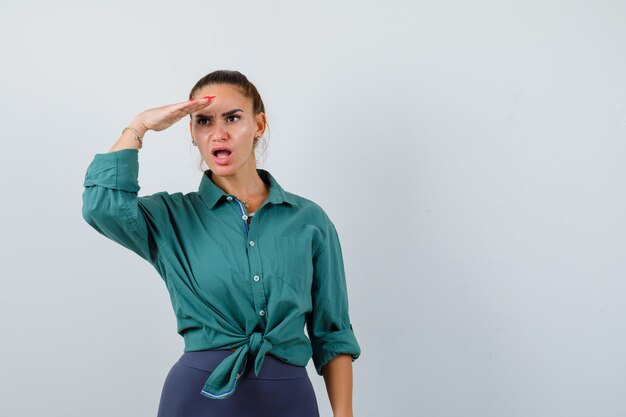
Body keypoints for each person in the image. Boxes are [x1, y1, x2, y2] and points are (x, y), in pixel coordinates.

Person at [82, 70, 361, 417]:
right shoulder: (172, 218)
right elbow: (101, 207)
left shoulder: (309, 221)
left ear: (259, 125)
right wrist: (139, 126)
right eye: (203, 121)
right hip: (197, 399)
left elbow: (332, 334)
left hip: (290, 401)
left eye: (232, 118)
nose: (218, 133)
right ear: (192, 132)